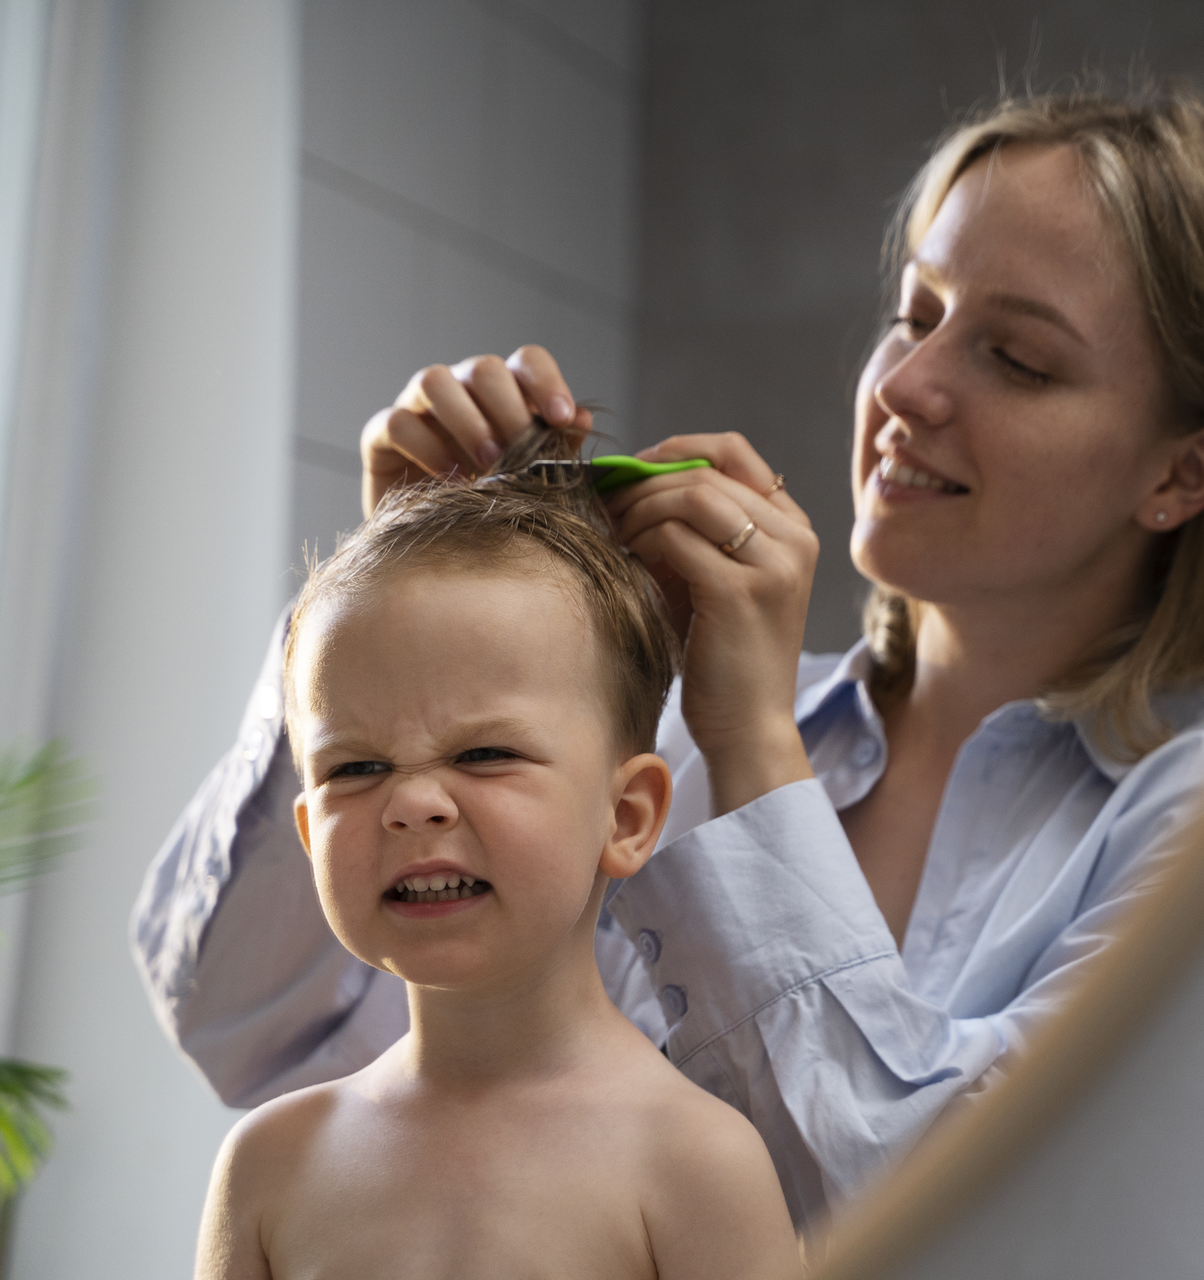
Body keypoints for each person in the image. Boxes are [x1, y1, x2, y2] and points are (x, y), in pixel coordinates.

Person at [135, 87, 1204, 1228]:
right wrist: (392, 628)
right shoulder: (639, 737)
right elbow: (255, 1030)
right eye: (916, 315)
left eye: (1016, 358)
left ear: (1185, 471)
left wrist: (755, 745)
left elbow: (944, 1220)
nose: (906, 386)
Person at [192, 447, 800, 1278]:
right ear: (309, 833)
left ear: (625, 818)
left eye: (482, 753)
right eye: (355, 769)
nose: (412, 803)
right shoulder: (268, 1166)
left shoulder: (698, 1166)